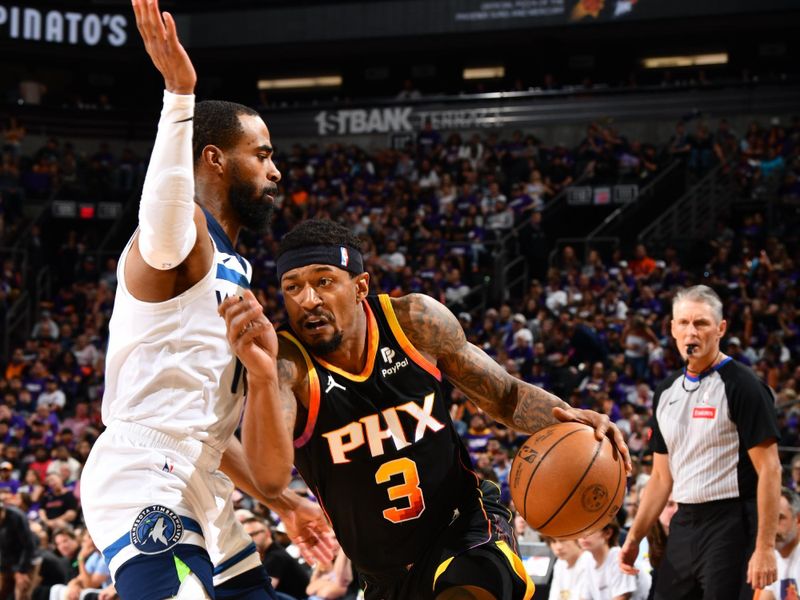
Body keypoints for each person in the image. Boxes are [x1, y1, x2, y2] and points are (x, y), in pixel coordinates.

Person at [219, 219, 630, 600]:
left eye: (324, 282)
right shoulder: (286, 364)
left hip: (464, 525)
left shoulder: (414, 322)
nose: (308, 300)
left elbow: (505, 396)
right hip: (382, 573)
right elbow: (270, 480)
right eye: (292, 287)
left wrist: (568, 414)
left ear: (360, 286)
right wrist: (260, 376)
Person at [79, 2, 331, 599]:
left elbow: (204, 435)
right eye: (262, 154)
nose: (276, 170)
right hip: (144, 473)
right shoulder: (181, 233)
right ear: (215, 158)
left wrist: (282, 499)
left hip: (202, 472)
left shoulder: (233, 268)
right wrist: (178, 96)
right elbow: (164, 203)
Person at [620, 284, 782, 599]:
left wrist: (765, 547)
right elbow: (660, 477)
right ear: (672, 329)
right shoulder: (666, 391)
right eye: (683, 323)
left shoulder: (744, 386)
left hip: (732, 523)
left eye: (701, 323)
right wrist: (635, 537)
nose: (691, 331)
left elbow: (771, 470)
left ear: (720, 328)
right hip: (684, 521)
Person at [242, 517, 309, 600]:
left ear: (268, 533)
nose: (250, 539)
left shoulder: (275, 556)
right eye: (247, 536)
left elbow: (265, 591)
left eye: (253, 534)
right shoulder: (273, 551)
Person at [760, 488, 800, 600]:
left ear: (797, 519)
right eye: (768, 519)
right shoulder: (773, 558)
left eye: (779, 518)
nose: (772, 527)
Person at [0, 500, 39, 600]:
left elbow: (29, 546)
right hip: (5, 560)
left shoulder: (17, 517)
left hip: (25, 558)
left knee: (22, 592)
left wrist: (21, 570)